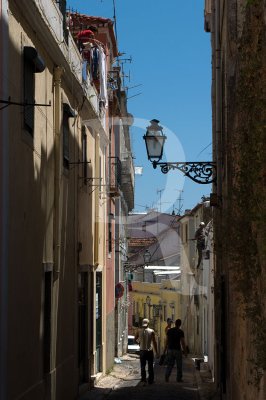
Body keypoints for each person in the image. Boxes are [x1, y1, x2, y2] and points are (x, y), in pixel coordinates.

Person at [135, 318, 158, 385]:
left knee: (142, 366)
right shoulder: (151, 331)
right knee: (150, 366)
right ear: (148, 324)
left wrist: (139, 343)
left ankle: (143, 379)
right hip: (149, 351)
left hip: (142, 351)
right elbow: (154, 342)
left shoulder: (138, 331)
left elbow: (135, 340)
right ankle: (150, 380)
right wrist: (156, 352)